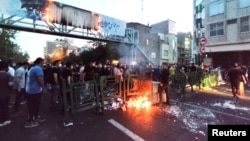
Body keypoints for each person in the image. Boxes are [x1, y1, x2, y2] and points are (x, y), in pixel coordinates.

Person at [24, 57, 46, 128]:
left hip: (31, 90)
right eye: (43, 62)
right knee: (33, 106)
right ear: (40, 62)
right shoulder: (38, 69)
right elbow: (40, 80)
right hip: (34, 91)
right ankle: (29, 122)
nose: (44, 63)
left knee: (35, 105)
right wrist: (43, 87)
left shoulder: (32, 68)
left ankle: (35, 118)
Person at [0, 61, 14, 127]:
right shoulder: (8, 75)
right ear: (6, 67)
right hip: (5, 94)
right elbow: (10, 84)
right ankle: (3, 121)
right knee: (4, 107)